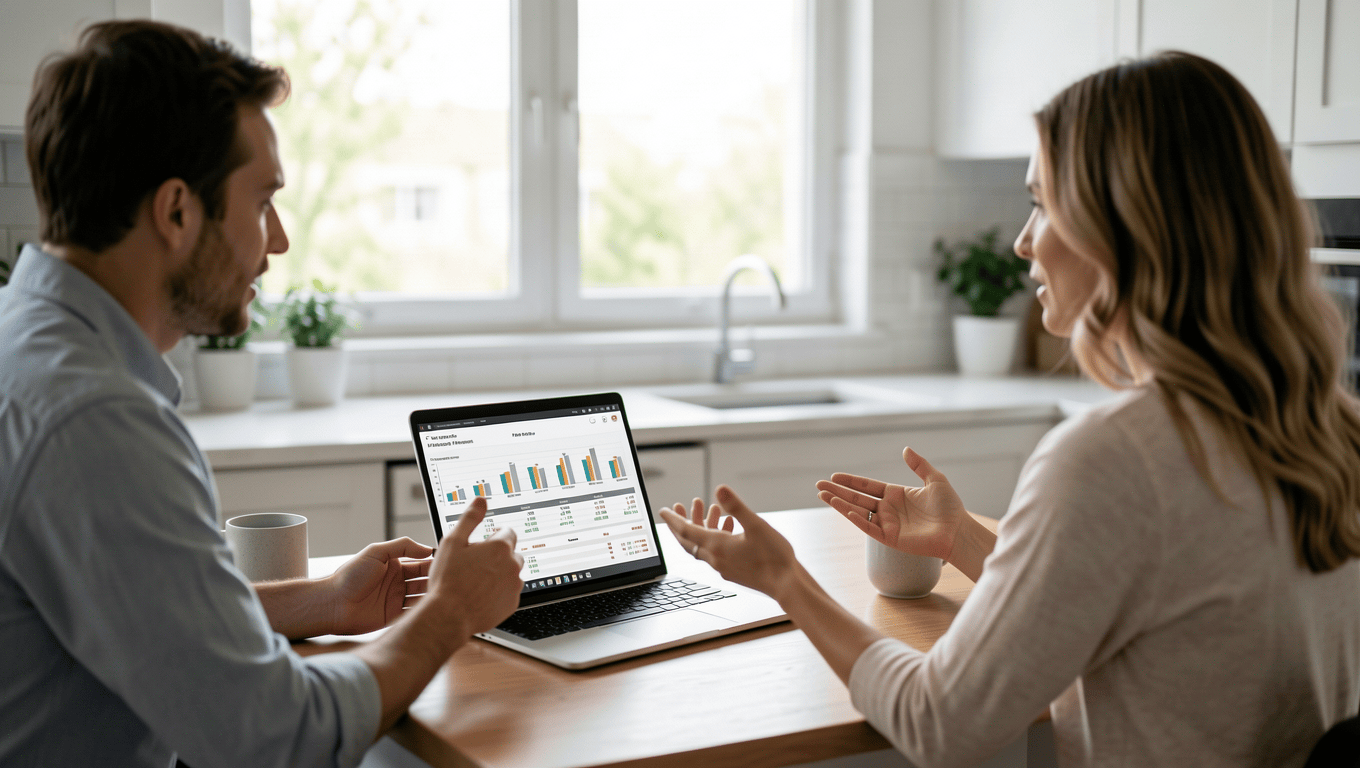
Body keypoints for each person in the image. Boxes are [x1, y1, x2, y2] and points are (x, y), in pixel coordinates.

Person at [662, 51, 1360, 768]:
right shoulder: (1333, 429)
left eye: (1042, 203)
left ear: (1125, 227)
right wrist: (962, 538)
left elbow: (940, 723)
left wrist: (783, 578)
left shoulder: (1115, 456)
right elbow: (1159, 614)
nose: (1024, 241)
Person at [0, 20, 524, 768]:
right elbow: (276, 737)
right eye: (261, 202)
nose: (276, 240)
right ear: (177, 212)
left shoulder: (28, 342)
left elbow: (149, 617)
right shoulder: (95, 419)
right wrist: (450, 611)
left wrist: (328, 600)